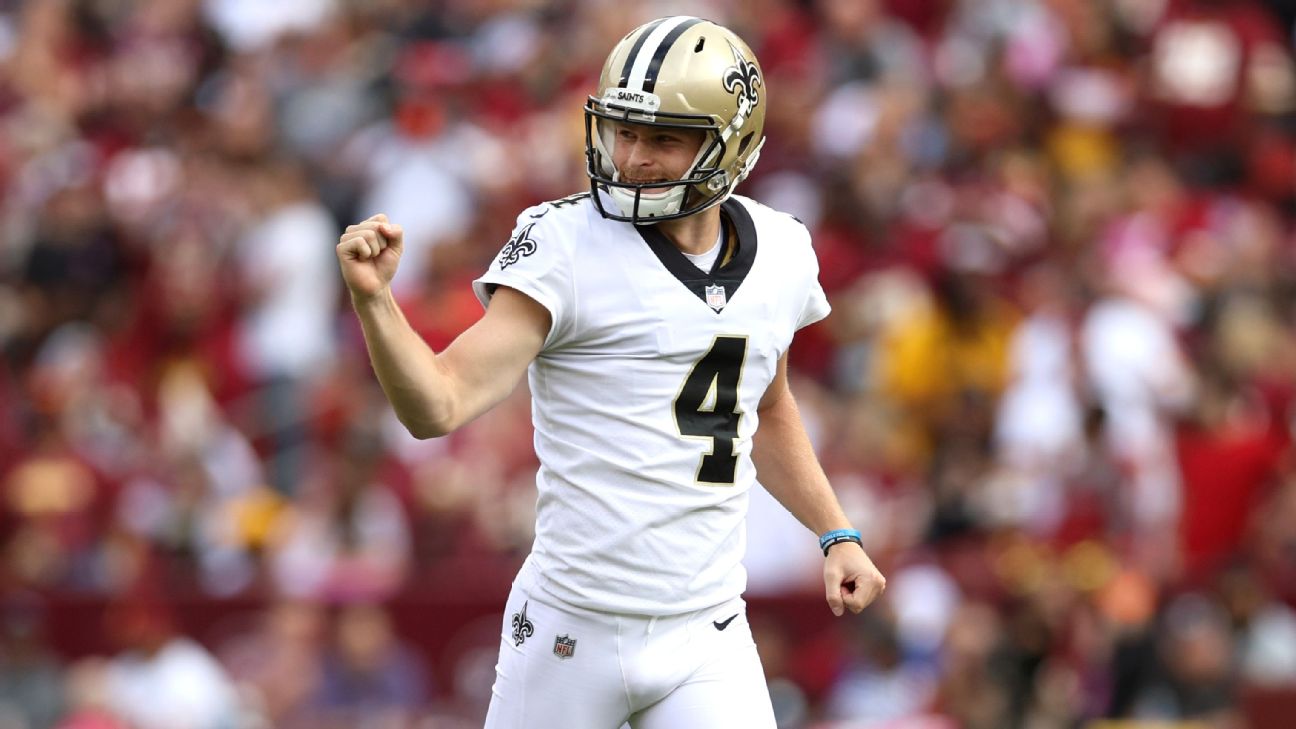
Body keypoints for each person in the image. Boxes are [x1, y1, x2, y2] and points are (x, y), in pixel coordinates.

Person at [336, 15, 886, 729]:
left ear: (732, 143)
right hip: (572, 630)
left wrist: (835, 531)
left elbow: (765, 406)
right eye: (624, 130)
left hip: (706, 629)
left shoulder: (781, 250)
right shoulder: (563, 243)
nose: (631, 157)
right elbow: (436, 405)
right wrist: (375, 303)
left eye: (663, 138)